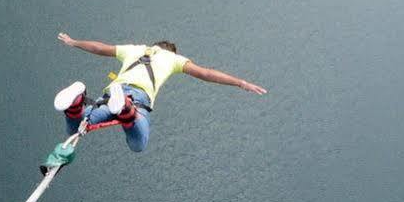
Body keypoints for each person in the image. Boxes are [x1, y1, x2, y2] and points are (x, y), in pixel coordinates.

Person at [44, 33, 265, 170]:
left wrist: (74, 42)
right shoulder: (175, 59)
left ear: (155, 45)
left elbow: (100, 48)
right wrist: (240, 82)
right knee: (138, 143)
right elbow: (206, 73)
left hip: (111, 94)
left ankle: (75, 104)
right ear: (172, 51)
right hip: (137, 99)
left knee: (78, 124)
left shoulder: (135, 49)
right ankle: (126, 111)